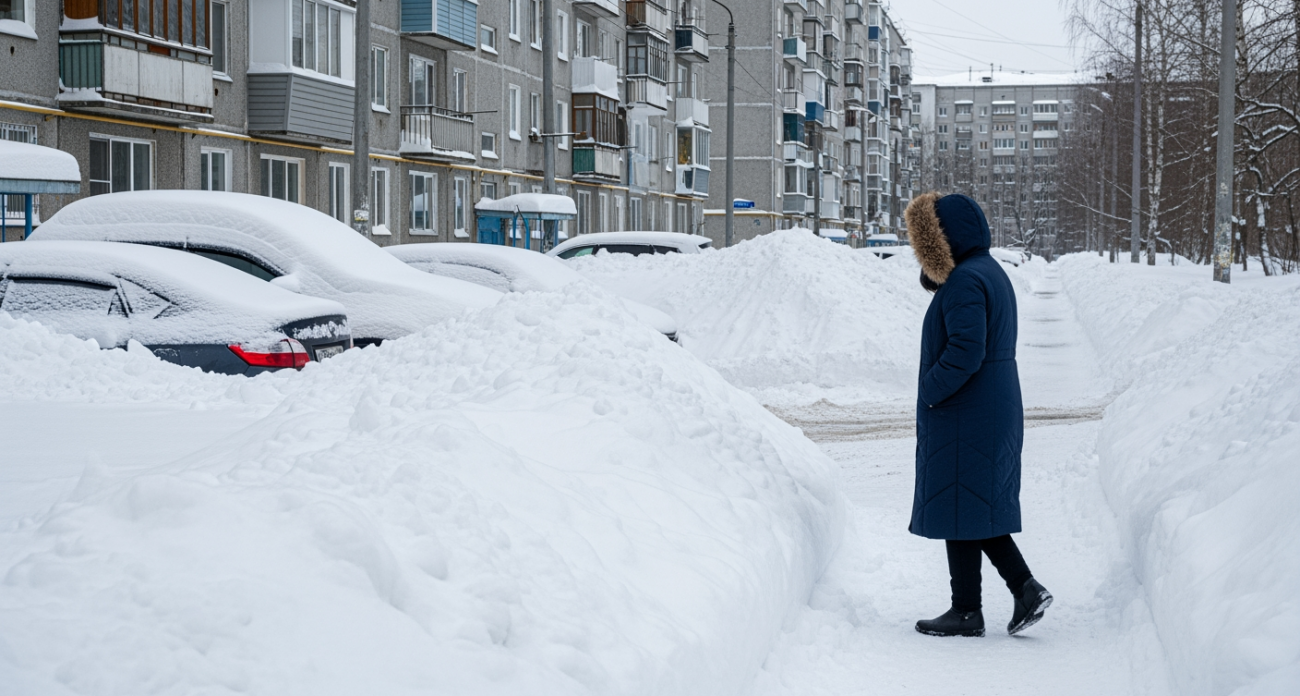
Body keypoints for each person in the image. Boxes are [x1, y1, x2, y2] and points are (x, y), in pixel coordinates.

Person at [902, 192, 1052, 638]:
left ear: (941, 239)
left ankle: (1002, 596)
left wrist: (929, 390)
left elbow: (966, 351)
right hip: (985, 405)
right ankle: (981, 604)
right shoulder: (986, 272)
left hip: (969, 408)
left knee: (966, 505)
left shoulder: (968, 279)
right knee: (966, 507)